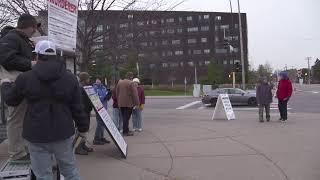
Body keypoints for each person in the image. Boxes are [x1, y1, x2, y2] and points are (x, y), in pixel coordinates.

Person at [1, 40, 88, 180]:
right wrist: (83, 128)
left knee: (43, 175)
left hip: (36, 135)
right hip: (63, 133)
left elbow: (11, 100)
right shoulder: (70, 78)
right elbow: (78, 107)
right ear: (55, 56)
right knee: (70, 171)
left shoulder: (25, 78)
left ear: (37, 56)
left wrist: (5, 84)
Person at [0, 14, 38, 162]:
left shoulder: (19, 39)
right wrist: (30, 64)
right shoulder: (11, 38)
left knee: (21, 118)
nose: (34, 32)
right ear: (30, 27)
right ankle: (17, 153)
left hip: (20, 82)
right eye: (34, 29)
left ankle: (21, 149)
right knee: (16, 118)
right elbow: (5, 58)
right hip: (15, 82)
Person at [75, 72, 94, 155]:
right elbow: (83, 102)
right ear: (84, 79)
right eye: (88, 78)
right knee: (82, 131)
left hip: (85, 112)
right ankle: (78, 147)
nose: (89, 80)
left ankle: (82, 145)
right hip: (83, 113)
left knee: (85, 131)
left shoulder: (83, 87)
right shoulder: (80, 88)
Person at [116, 72, 140, 136]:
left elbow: (117, 92)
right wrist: (137, 103)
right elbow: (135, 94)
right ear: (131, 77)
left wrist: (119, 101)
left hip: (121, 103)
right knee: (126, 118)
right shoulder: (131, 83)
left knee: (124, 117)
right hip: (129, 103)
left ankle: (126, 130)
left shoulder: (120, 82)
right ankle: (125, 131)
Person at [93, 78, 111, 145]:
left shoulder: (103, 87)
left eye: (99, 80)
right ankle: (96, 138)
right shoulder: (94, 88)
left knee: (103, 123)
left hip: (104, 107)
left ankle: (101, 137)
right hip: (98, 108)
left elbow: (106, 97)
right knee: (100, 123)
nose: (98, 81)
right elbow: (95, 98)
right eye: (97, 80)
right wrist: (104, 97)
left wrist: (109, 95)